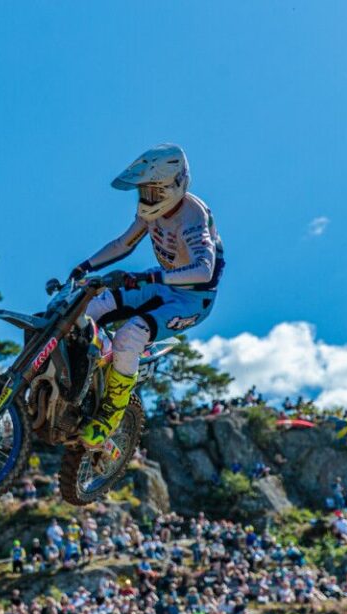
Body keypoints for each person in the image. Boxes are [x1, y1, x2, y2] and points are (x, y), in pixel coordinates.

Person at [66, 143, 224, 449]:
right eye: (143, 191)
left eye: (153, 192)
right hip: (162, 280)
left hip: (192, 299)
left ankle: (111, 413)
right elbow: (123, 243)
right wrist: (83, 267)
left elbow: (204, 270)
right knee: (89, 308)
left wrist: (152, 277)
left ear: (174, 186)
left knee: (130, 335)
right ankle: (78, 380)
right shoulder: (152, 211)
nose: (146, 199)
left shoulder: (193, 216)